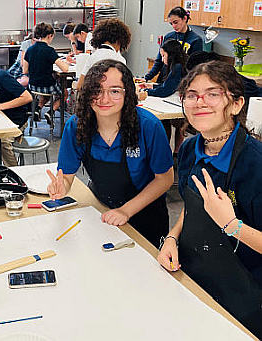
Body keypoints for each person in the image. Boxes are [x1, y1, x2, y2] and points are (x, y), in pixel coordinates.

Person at [157, 61, 262, 338]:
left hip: (246, 290)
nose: (199, 102)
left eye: (213, 94)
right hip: (196, 273)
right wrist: (171, 238)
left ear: (237, 104)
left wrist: (231, 224)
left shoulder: (256, 164)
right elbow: (191, 207)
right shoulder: (192, 147)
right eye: (191, 95)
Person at [48, 59, 174, 247]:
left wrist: (125, 211)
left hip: (146, 215)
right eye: (96, 90)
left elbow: (165, 179)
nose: (104, 99)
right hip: (102, 210)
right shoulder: (76, 126)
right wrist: (61, 188)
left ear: (128, 93)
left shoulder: (149, 126)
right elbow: (66, 176)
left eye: (115, 91)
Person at [139, 39, 188, 154]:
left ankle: (171, 153)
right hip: (176, 99)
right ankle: (171, 152)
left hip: (177, 102)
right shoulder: (175, 65)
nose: (162, 59)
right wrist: (152, 86)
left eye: (163, 56)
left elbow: (166, 90)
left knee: (170, 123)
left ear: (170, 55)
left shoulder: (177, 67)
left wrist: (147, 92)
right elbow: (167, 85)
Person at [23, 22, 69, 124]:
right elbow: (65, 69)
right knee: (64, 93)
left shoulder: (29, 49)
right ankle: (51, 112)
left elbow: (25, 70)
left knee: (46, 94)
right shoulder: (49, 50)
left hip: (33, 86)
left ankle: (38, 109)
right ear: (49, 36)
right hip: (47, 85)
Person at [144, 6, 202, 83]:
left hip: (182, 81)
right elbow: (159, 61)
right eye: (171, 23)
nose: (174, 26)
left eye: (176, 22)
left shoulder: (196, 40)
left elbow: (195, 68)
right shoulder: (168, 37)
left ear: (184, 18)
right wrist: (147, 78)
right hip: (165, 78)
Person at [77, 18, 131, 90]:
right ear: (119, 41)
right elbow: (124, 89)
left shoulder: (93, 57)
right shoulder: (119, 60)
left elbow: (79, 86)